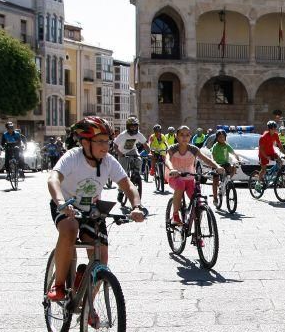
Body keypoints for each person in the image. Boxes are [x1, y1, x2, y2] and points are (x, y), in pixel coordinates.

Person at [45, 116, 146, 301]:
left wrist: (137, 207)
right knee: (69, 229)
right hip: (66, 206)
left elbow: (128, 186)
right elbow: (53, 179)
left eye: (107, 141)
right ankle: (58, 285)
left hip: (91, 209)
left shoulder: (108, 161)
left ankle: (87, 305)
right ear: (85, 142)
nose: (105, 146)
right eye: (100, 141)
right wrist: (60, 202)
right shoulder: (73, 157)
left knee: (101, 257)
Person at [166, 125, 224, 224]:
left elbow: (206, 159)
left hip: (190, 178)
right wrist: (172, 169)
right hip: (175, 177)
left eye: (187, 135)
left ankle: (196, 234)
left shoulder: (193, 149)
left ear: (190, 137)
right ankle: (175, 216)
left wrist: (217, 166)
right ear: (176, 136)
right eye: (181, 135)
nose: (184, 137)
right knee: (180, 184)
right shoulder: (173, 149)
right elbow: (167, 159)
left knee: (198, 203)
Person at [209, 129, 240, 203]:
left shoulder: (226, 145)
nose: (222, 139)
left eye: (223, 137)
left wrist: (238, 160)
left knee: (234, 168)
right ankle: (215, 198)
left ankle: (226, 182)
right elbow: (212, 155)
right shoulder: (215, 146)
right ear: (217, 138)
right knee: (215, 181)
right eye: (220, 137)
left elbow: (233, 153)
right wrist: (213, 162)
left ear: (225, 137)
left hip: (225, 164)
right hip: (216, 165)